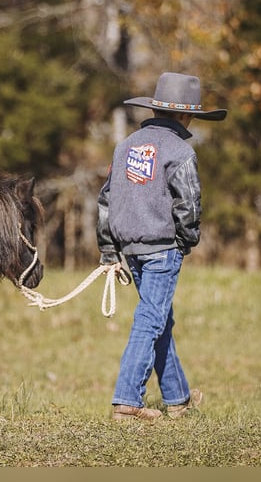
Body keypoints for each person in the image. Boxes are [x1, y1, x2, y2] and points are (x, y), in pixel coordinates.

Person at [96, 71, 227, 423]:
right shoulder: (181, 151)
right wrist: (186, 241)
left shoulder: (125, 147)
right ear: (185, 116)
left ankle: (178, 398)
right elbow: (189, 206)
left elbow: (105, 200)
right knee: (150, 321)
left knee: (159, 320)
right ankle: (127, 400)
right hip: (162, 249)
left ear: (155, 110)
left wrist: (109, 250)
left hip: (131, 249)